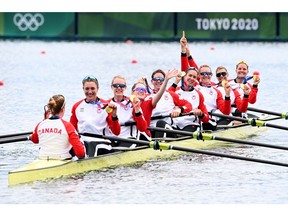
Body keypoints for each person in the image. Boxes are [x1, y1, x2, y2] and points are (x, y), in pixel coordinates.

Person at [70, 75, 121, 157]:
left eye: (92, 88)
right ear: (83, 89)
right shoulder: (77, 106)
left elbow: (116, 132)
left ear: (97, 89)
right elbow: (72, 130)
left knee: (91, 146)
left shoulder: (106, 106)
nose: (90, 92)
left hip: (102, 143)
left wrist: (114, 116)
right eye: (87, 89)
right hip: (84, 142)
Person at [30, 94, 85, 160]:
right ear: (63, 109)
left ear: (50, 109)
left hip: (43, 159)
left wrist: (44, 120)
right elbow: (80, 153)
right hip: (63, 160)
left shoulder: (40, 124)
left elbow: (35, 140)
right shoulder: (68, 126)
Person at [145, 69, 193, 138]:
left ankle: (158, 145)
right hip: (152, 129)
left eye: (161, 79)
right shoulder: (146, 97)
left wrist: (179, 109)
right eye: (156, 79)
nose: (158, 81)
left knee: (160, 123)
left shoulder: (171, 94)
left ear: (164, 81)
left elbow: (188, 105)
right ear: (152, 82)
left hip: (169, 129)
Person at [107, 75, 148, 146]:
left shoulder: (133, 103)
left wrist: (137, 110)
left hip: (129, 139)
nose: (119, 88)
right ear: (111, 87)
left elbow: (143, 128)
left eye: (122, 86)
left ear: (125, 87)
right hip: (112, 139)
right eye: (116, 85)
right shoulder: (107, 104)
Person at [168, 67, 210, 132]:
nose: (192, 78)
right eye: (190, 75)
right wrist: (176, 81)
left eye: (194, 77)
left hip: (191, 124)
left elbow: (206, 119)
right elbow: (166, 95)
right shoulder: (175, 91)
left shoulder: (198, 94)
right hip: (175, 125)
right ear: (184, 76)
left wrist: (201, 114)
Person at [195, 64, 232, 130]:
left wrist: (227, 94)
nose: (206, 75)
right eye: (203, 74)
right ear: (199, 75)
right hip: (195, 119)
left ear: (211, 75)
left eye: (208, 73)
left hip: (209, 120)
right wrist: (185, 55)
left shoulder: (216, 92)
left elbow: (225, 112)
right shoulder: (194, 89)